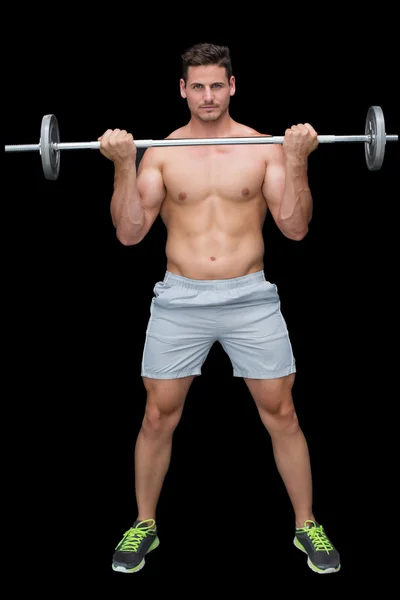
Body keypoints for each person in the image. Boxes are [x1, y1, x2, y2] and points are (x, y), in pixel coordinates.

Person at [98, 42, 340, 576]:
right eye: (197, 86)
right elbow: (129, 234)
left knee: (282, 413)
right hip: (180, 298)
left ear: (232, 87)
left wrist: (297, 161)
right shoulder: (160, 151)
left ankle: (307, 525)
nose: (208, 96)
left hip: (249, 295)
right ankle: (144, 524)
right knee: (158, 416)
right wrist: (123, 164)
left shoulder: (263, 148)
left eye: (217, 85)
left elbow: (295, 229)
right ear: (183, 90)